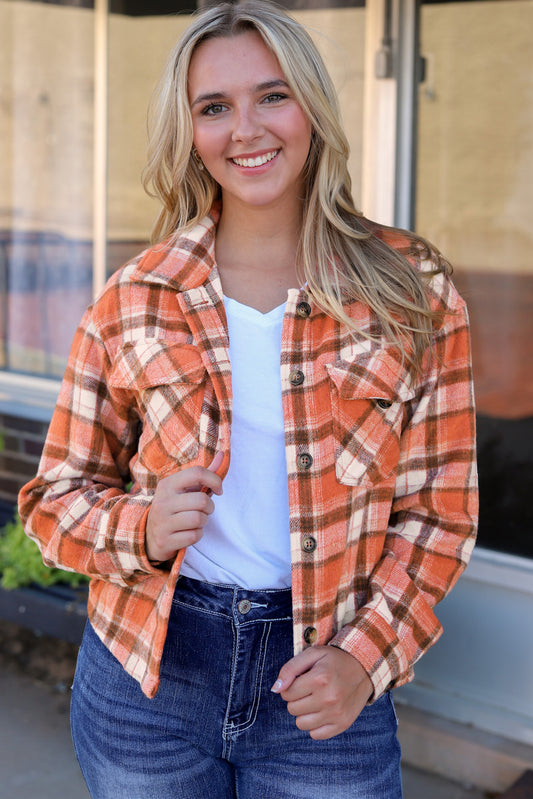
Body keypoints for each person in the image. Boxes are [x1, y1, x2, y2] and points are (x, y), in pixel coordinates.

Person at [18, 2, 478, 797]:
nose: (246, 129)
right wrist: (142, 526)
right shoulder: (136, 296)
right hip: (148, 677)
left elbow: (441, 513)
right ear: (189, 131)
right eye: (214, 107)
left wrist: (364, 656)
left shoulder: (412, 289)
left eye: (272, 95)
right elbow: (51, 500)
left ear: (310, 105)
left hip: (323, 680)